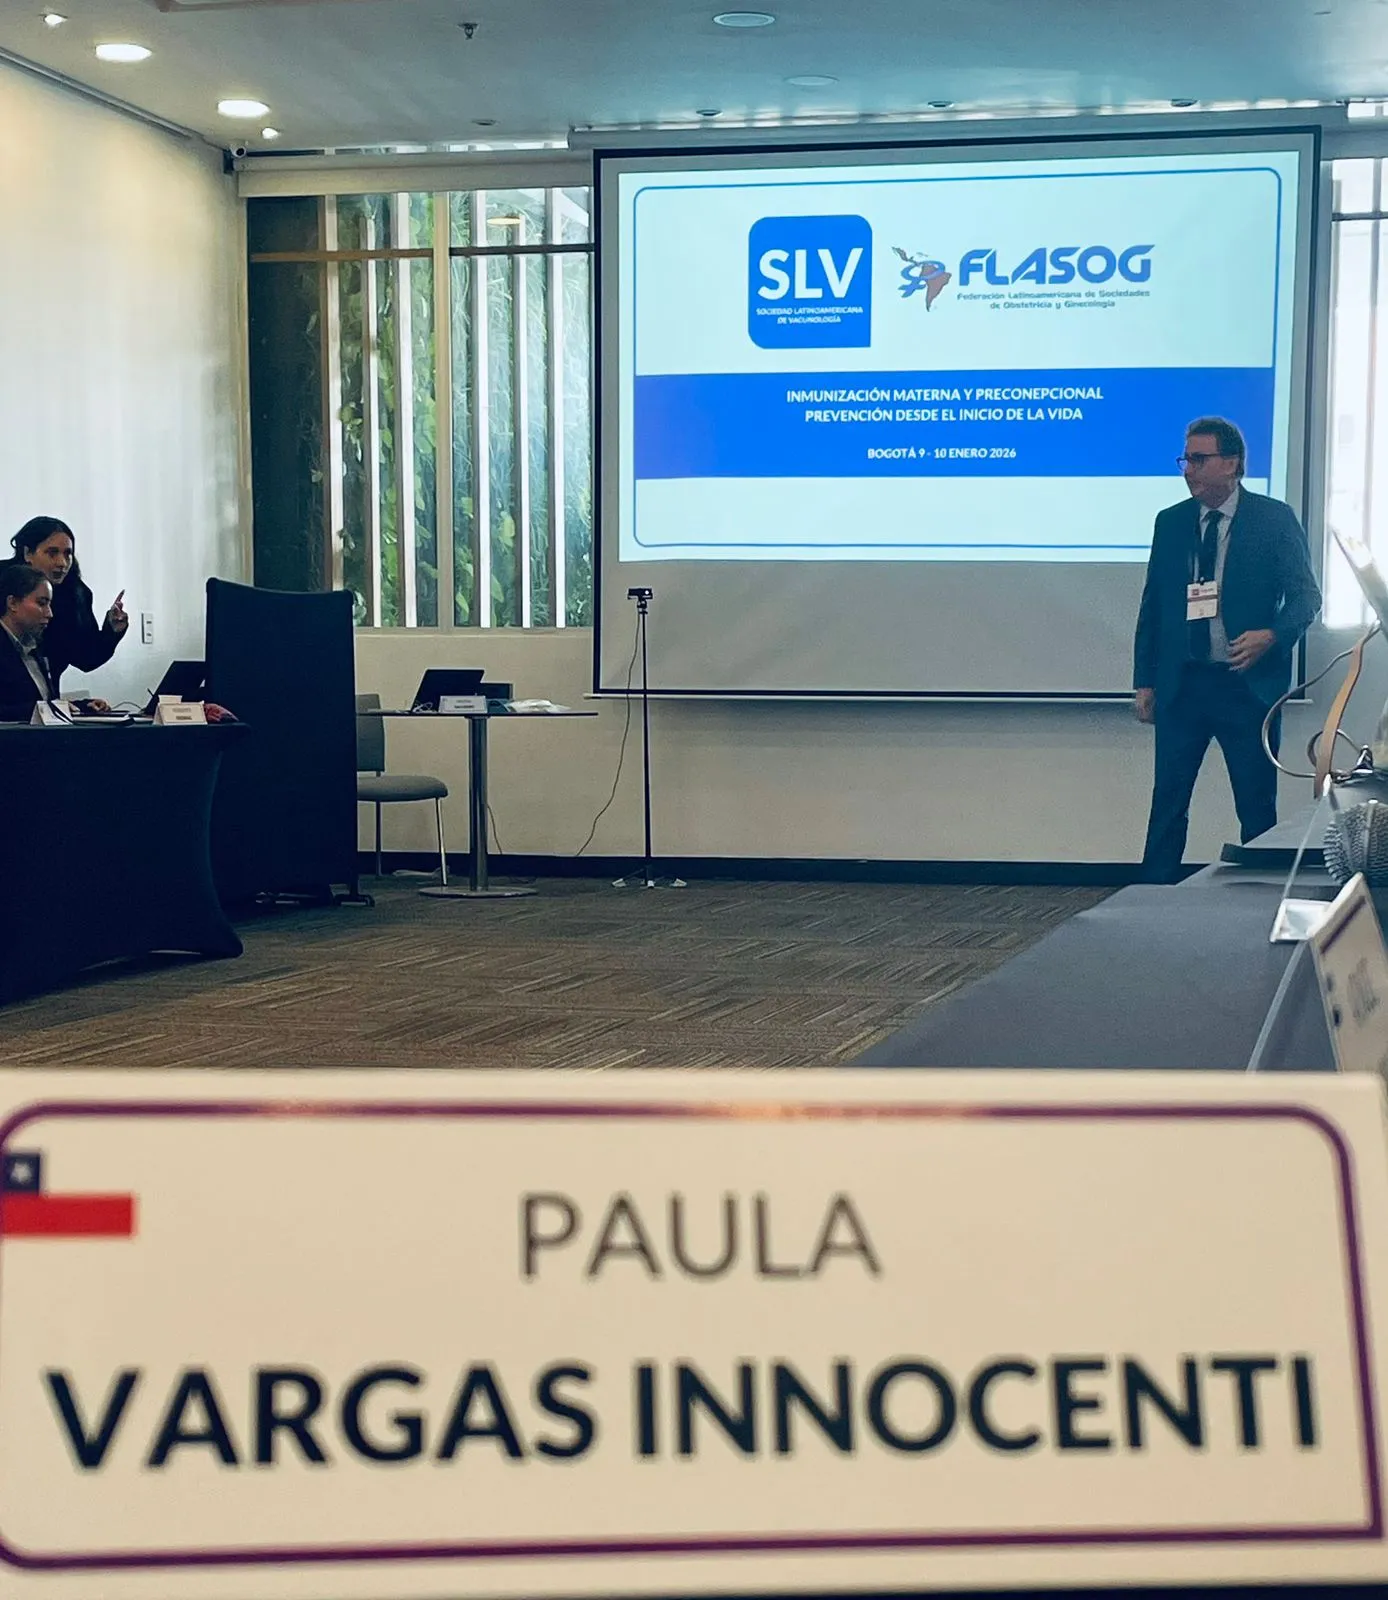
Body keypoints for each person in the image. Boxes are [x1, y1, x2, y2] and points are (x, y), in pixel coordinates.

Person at [1133, 417, 1321, 883]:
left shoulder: (1273, 519)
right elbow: (1154, 605)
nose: (1188, 470)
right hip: (1184, 684)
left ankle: (1259, 904)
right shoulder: (1171, 522)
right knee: (1168, 802)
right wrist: (1145, 680)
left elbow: (1305, 597)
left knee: (1256, 808)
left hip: (1247, 688)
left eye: (1200, 459)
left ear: (1232, 463)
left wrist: (1272, 635)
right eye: (1185, 460)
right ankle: (1151, 899)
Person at [9, 516, 128, 691]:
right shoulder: (4, 581)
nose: (62, 563)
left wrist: (111, 630)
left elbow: (86, 657)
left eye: (68, 554)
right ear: (28, 553)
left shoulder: (76, 593)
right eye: (52, 553)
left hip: (45, 698)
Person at [0, 565, 56, 721]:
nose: (49, 613)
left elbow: (43, 702)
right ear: (12, 603)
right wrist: (45, 710)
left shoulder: (36, 647)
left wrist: (81, 706)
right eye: (41, 603)